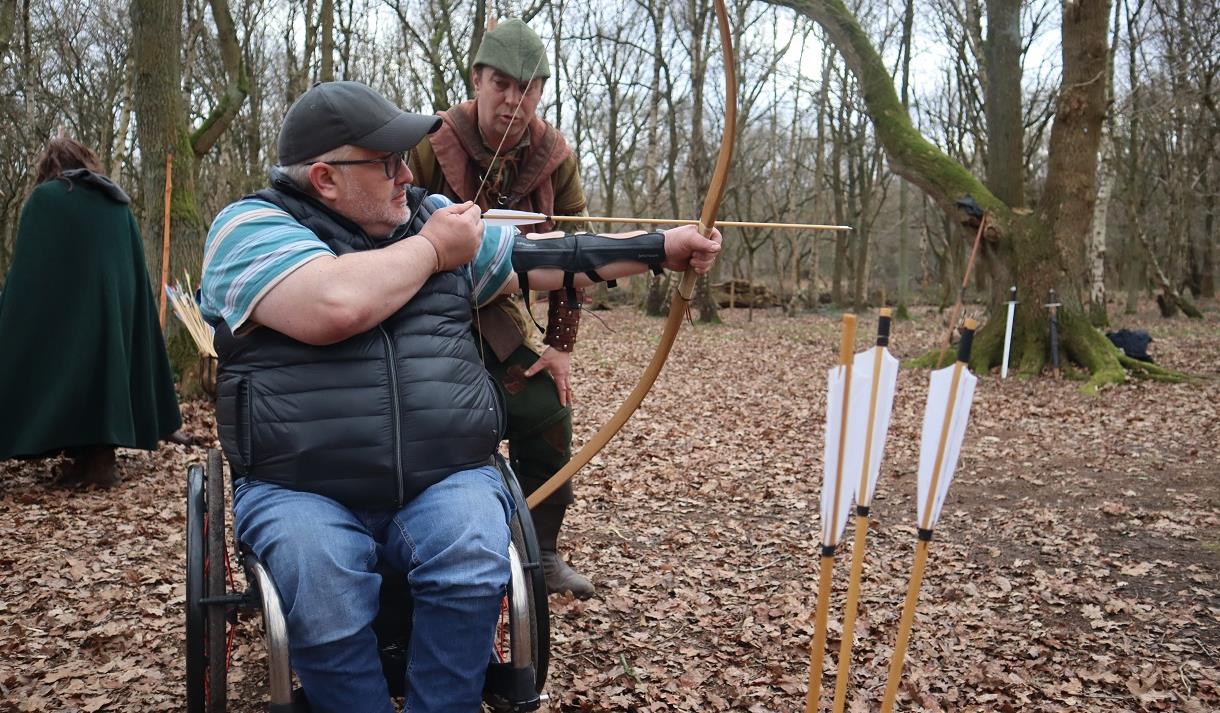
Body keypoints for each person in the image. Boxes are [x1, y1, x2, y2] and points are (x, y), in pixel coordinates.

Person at [200, 80, 719, 713]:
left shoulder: (428, 218)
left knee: (473, 558)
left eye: (403, 160)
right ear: (324, 179)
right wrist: (432, 250)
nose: (402, 174)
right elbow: (334, 304)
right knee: (322, 582)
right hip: (301, 486)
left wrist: (661, 248)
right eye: (384, 162)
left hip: (444, 477)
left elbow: (541, 257)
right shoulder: (250, 227)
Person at [410, 17, 596, 598]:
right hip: (420, 317)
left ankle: (540, 554)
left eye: (529, 88)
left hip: (500, 320)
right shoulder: (428, 141)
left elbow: (575, 251)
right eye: (502, 85)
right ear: (477, 80)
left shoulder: (554, 156)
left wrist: (561, 347)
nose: (514, 100)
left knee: (547, 412)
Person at [0, 138, 182, 487]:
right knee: (103, 369)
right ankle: (94, 459)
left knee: (59, 363)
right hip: (115, 310)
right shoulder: (116, 202)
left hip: (71, 314)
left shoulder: (47, 199)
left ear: (51, 166)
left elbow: (29, 276)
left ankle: (92, 462)